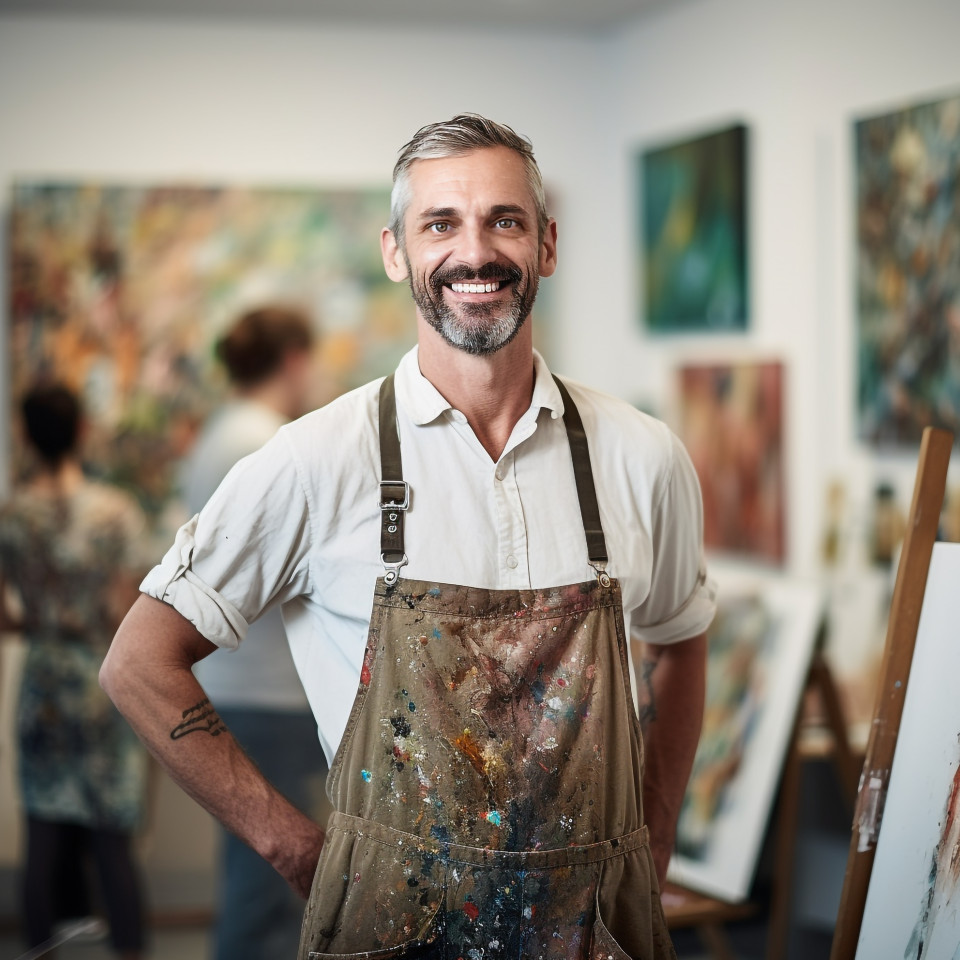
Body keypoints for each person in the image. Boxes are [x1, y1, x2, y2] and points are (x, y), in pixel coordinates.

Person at [102, 114, 716, 959]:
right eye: (441, 224)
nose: (476, 253)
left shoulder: (644, 456)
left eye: (505, 220)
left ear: (546, 246)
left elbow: (681, 643)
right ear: (397, 253)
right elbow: (138, 664)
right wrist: (292, 843)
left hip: (599, 930)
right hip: (386, 934)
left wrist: (654, 831)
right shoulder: (315, 460)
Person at [179, 305, 330, 960]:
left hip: (240, 681)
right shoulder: (264, 440)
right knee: (267, 876)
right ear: (294, 360)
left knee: (254, 870)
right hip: (270, 689)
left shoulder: (220, 434)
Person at [0, 383, 148, 959]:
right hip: (101, 673)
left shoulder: (12, 516)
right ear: (82, 429)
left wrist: (42, 616)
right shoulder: (116, 513)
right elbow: (121, 610)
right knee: (113, 837)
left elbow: (6, 618)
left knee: (42, 834)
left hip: (43, 680)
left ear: (26, 436)